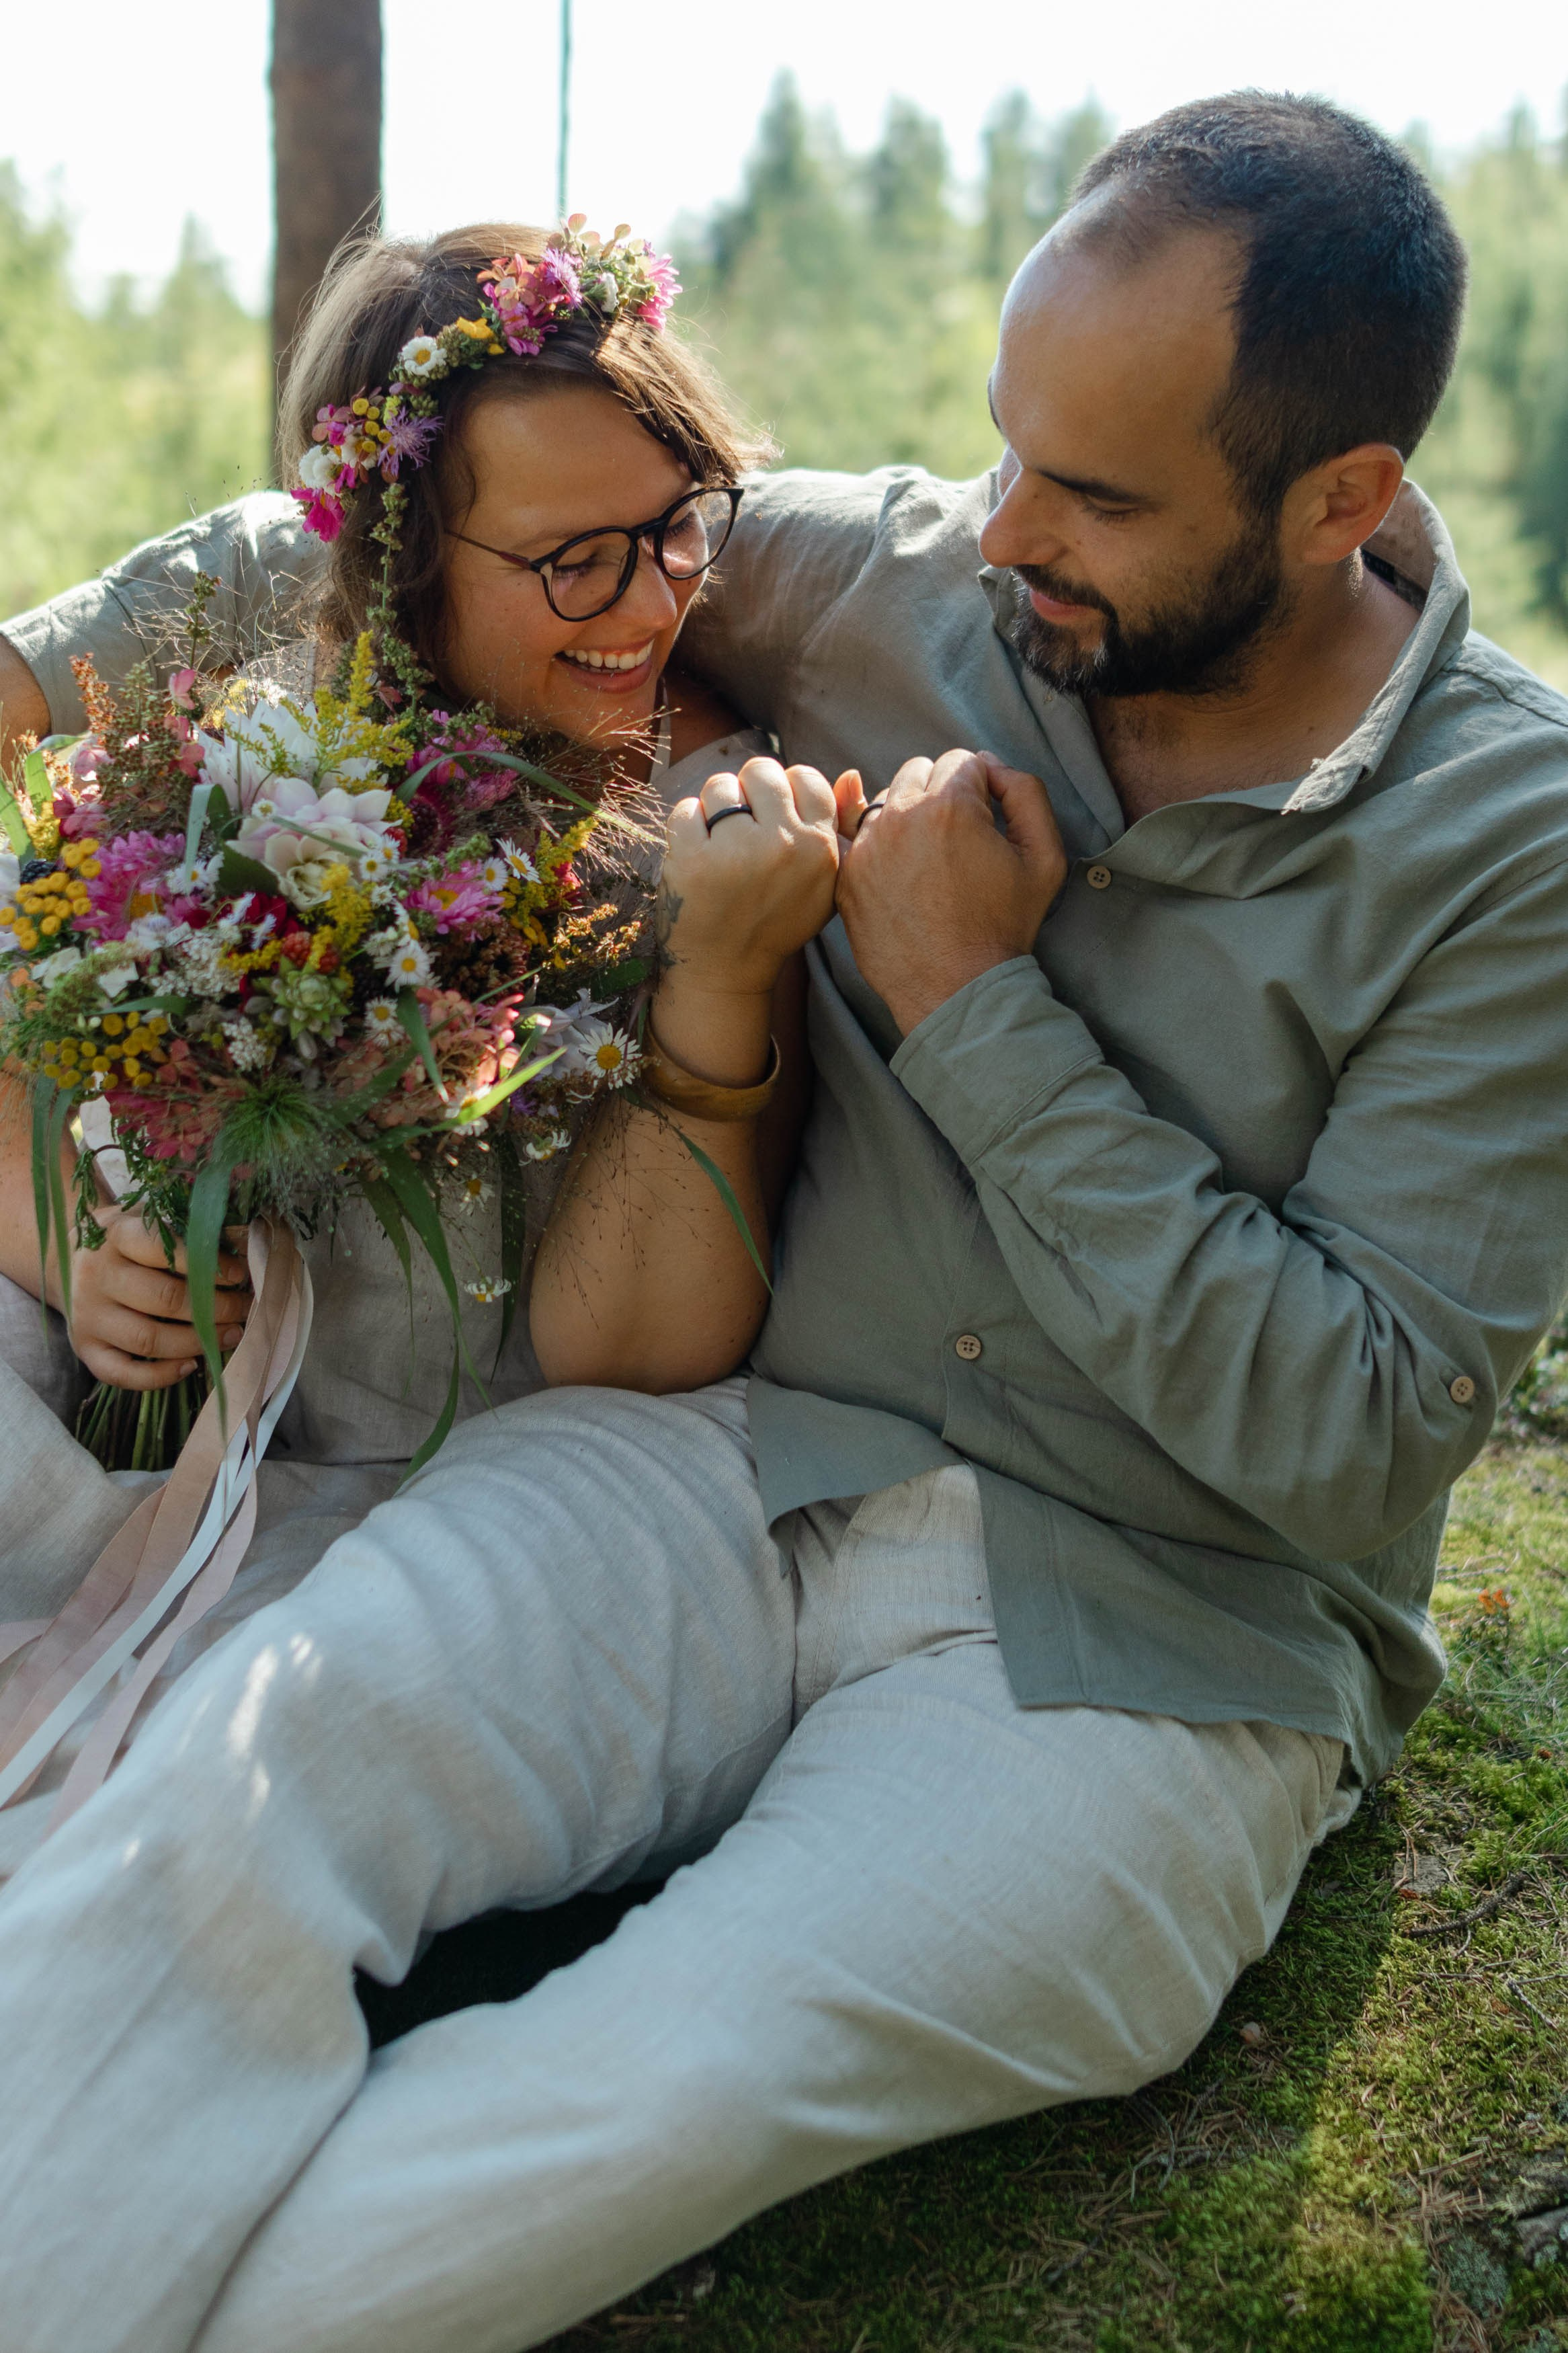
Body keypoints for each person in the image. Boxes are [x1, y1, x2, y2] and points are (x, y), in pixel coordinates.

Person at [3, 87, 1568, 2353]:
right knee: (244, 1781)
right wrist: (73, 661)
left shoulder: (1513, 854)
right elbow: (474, 514)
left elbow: (1345, 1440)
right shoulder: (926, 576)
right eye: (1005, 444)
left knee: (631, 2091)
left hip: (1144, 1659)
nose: (1004, 526)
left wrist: (974, 1012)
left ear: (1340, 503)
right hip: (719, 1483)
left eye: (1096, 494)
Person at [0, 217, 831, 1862]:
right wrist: (69, 1235)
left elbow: (634, 1355)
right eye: (575, 559)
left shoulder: (711, 823)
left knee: (214, 1798)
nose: (653, 602)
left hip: (468, 1489)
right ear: (385, 558)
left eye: (679, 527)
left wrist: (723, 989)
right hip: (175, 1423)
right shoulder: (245, 611)